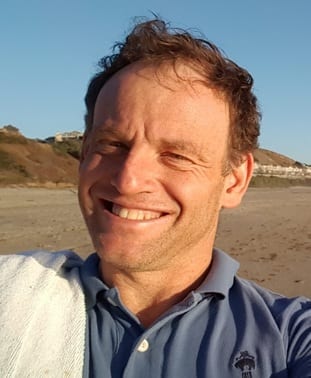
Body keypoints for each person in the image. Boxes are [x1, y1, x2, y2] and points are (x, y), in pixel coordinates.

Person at [0, 18, 310, 378]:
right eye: (112, 144)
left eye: (176, 155)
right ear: (84, 154)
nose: (128, 179)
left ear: (234, 181)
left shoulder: (291, 339)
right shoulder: (12, 297)